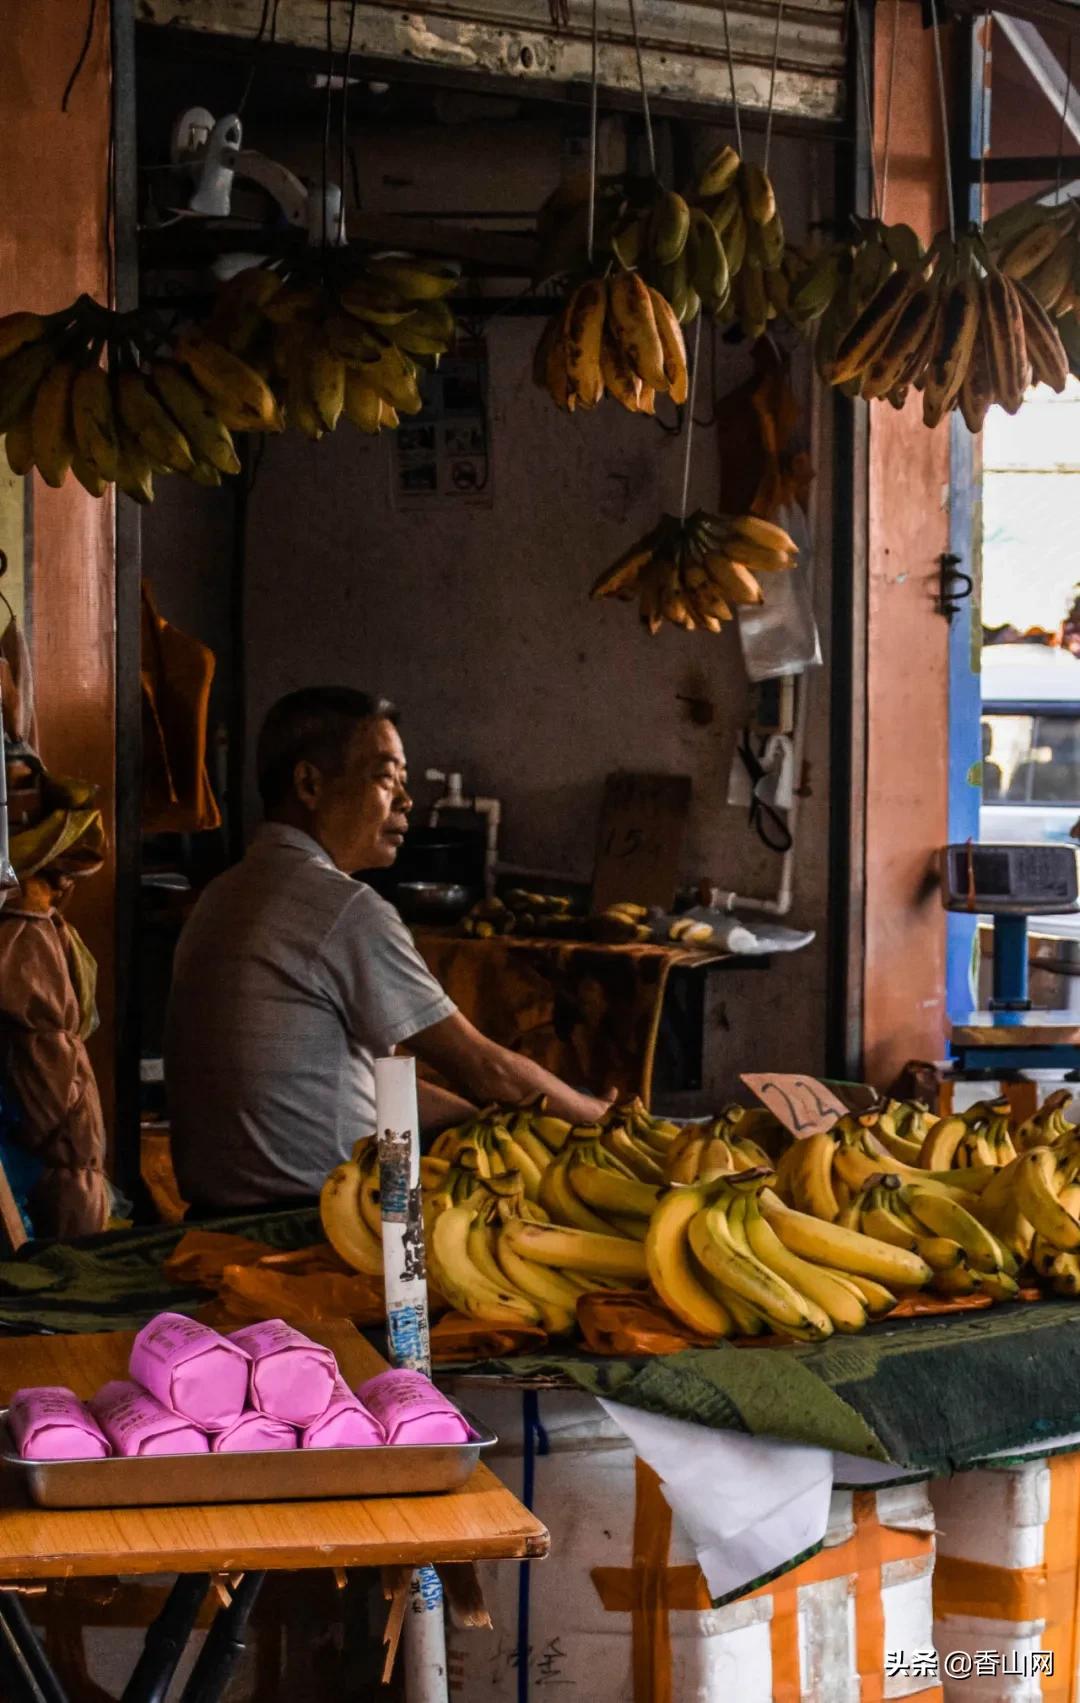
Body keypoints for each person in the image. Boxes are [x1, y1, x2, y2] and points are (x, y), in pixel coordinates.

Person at [165, 687, 612, 1213]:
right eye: (385, 777)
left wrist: (479, 1121)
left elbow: (359, 1083)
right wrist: (602, 1123)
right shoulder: (342, 909)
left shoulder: (224, 892)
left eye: (404, 780)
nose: (405, 800)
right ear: (309, 784)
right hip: (312, 1217)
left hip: (212, 1210)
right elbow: (481, 1067)